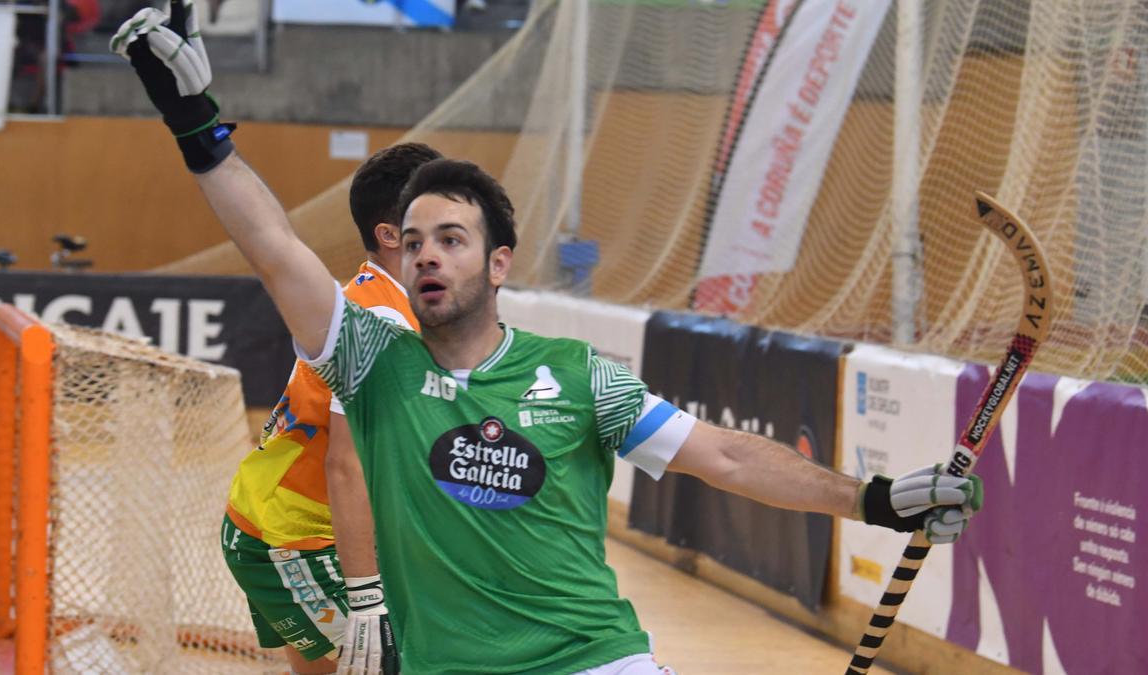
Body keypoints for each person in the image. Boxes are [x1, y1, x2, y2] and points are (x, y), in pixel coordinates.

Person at [112, 4, 983, 673]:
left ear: (499, 264)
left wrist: (872, 499)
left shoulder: (578, 376)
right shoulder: (372, 360)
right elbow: (273, 247)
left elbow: (727, 457)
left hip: (595, 656)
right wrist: (198, 128)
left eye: (450, 239)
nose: (425, 257)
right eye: (412, 241)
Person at [219, 143, 439, 674]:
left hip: (283, 527)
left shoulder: (383, 300)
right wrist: (366, 596)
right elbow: (348, 464)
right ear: (391, 236)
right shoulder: (383, 322)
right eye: (440, 219)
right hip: (293, 537)